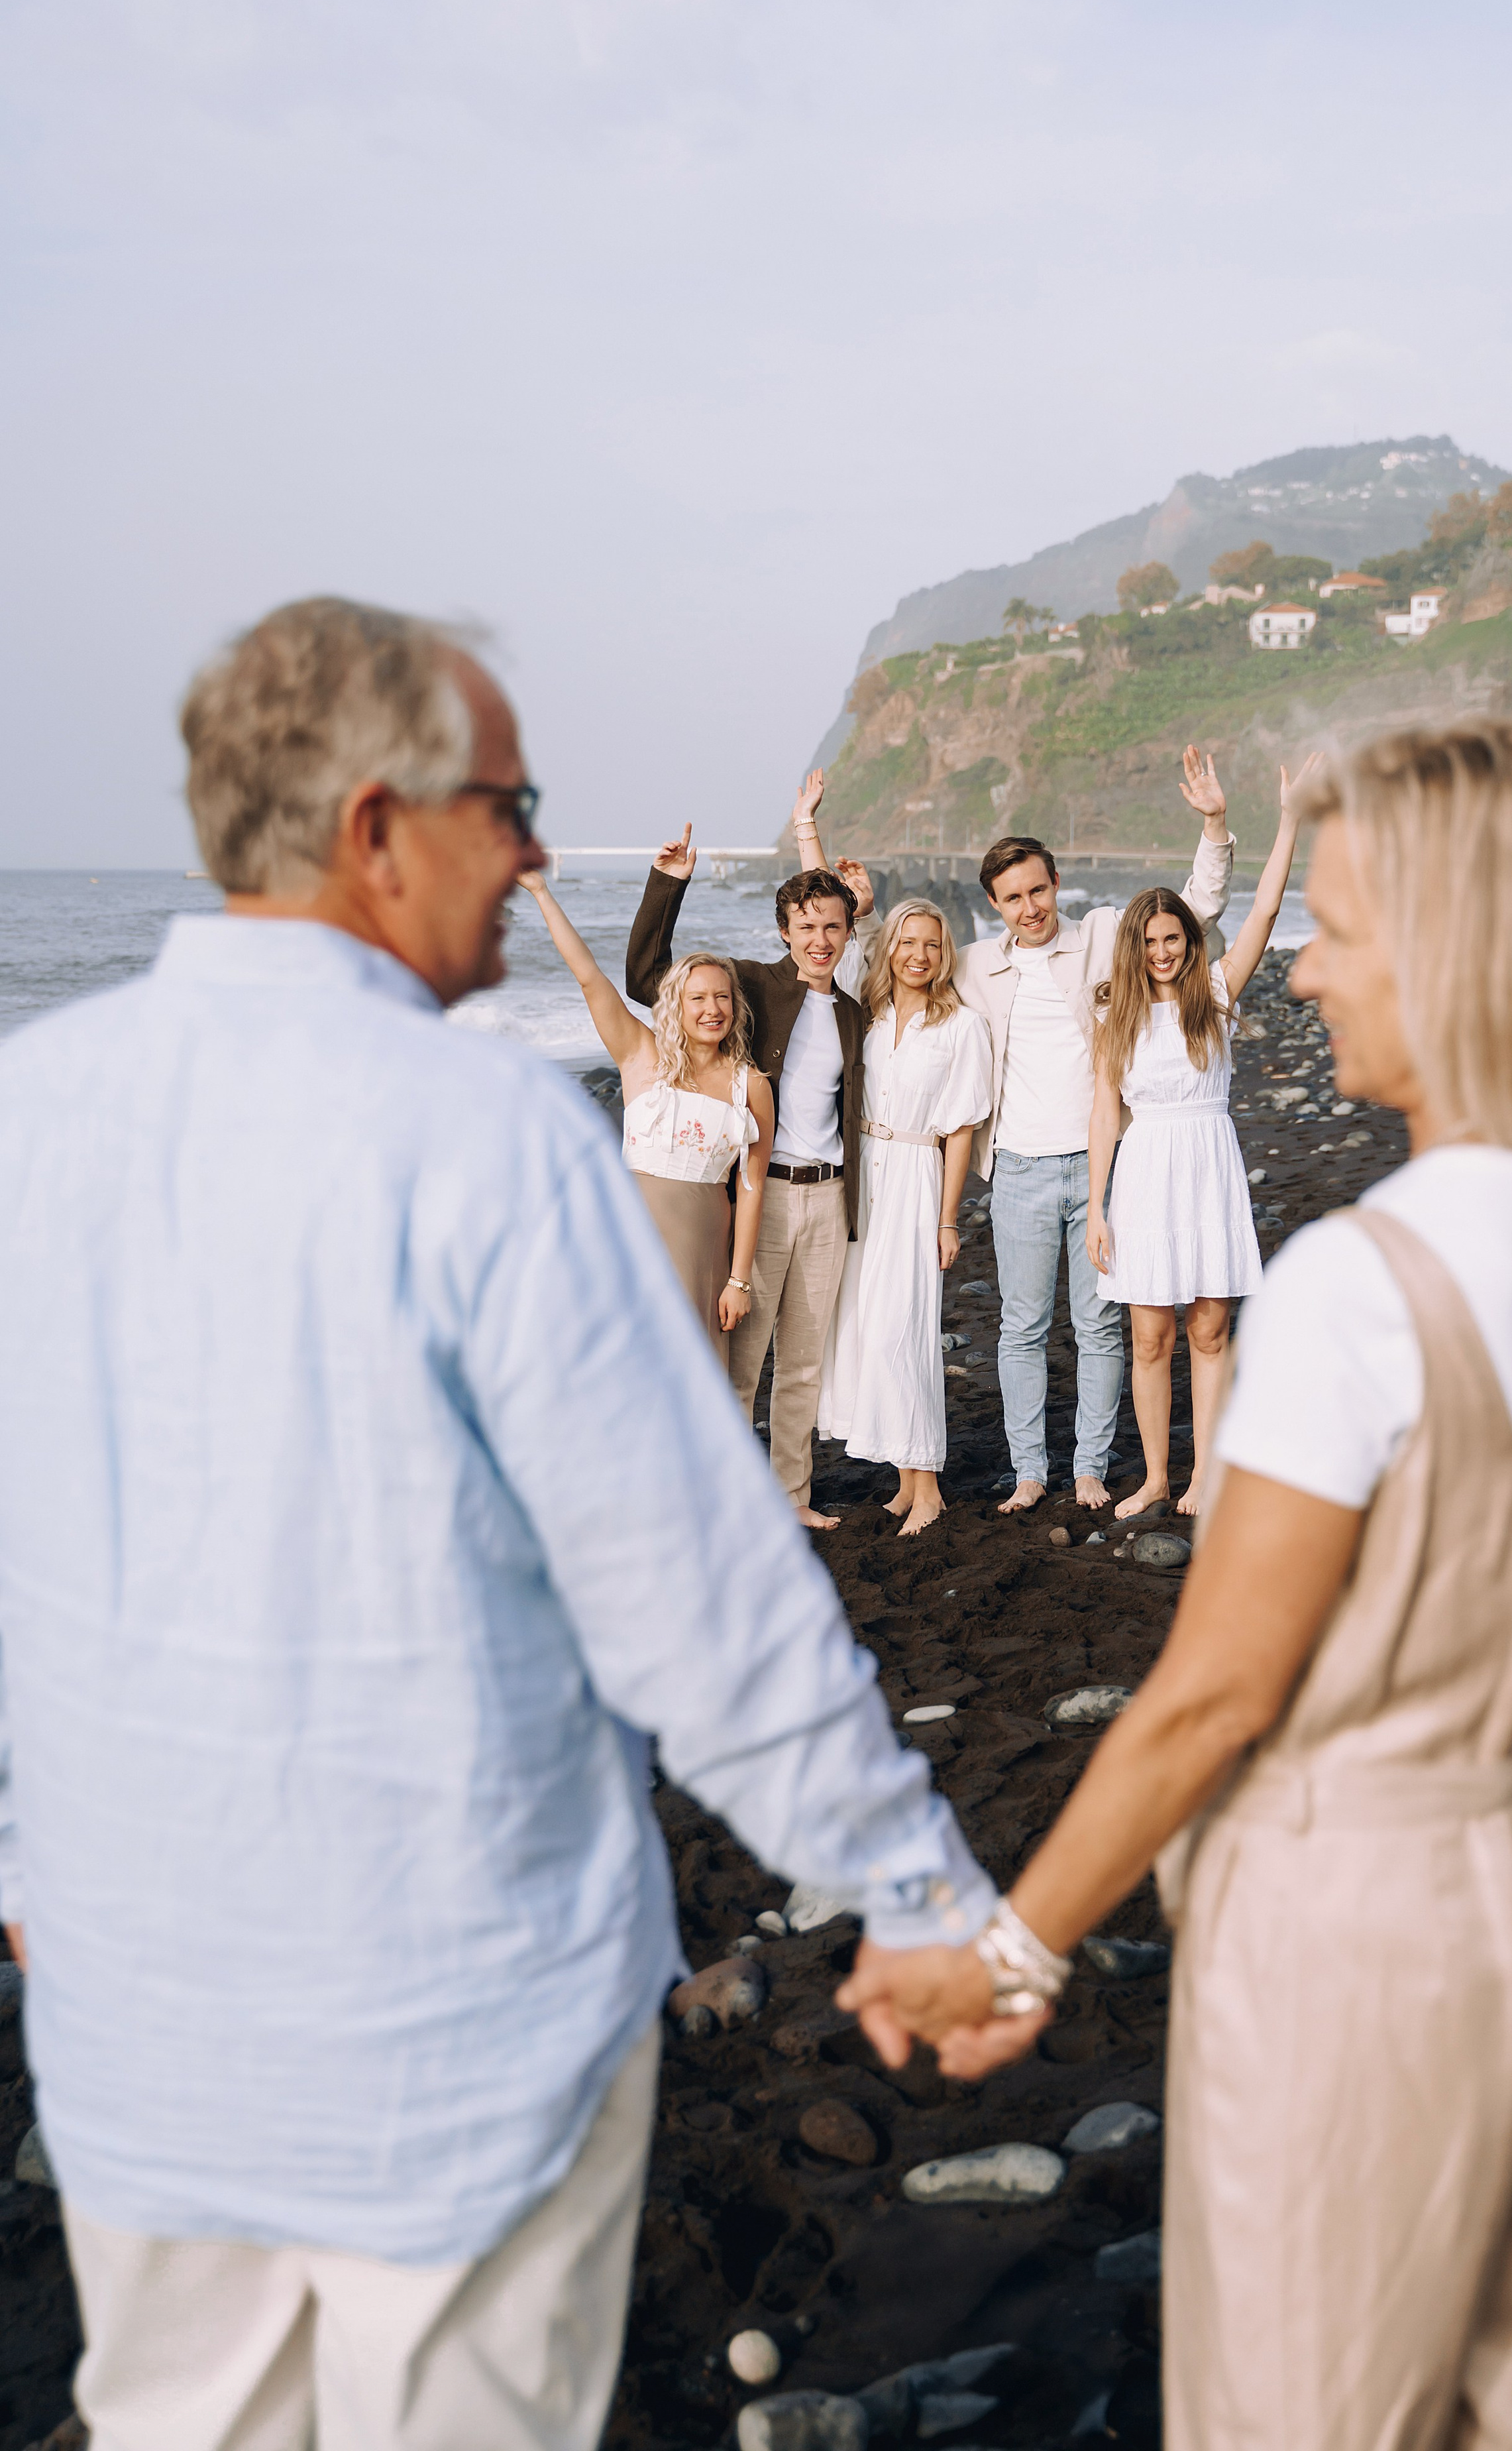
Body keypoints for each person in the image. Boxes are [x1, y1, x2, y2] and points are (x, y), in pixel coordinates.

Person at [0, 597, 999, 2451]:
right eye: (513, 799)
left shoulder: (31, 1112)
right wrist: (921, 1894)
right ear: (375, 825)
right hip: (456, 2021)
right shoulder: (488, 1143)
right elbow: (694, 1594)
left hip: (139, 2008)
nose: (538, 845)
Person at [838, 718, 1512, 2451]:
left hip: (1348, 1912)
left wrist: (1012, 1954)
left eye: (1350, 929)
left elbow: (1217, 1696)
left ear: (1462, 958)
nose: (1305, 970)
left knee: (1313, 2397)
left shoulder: (1358, 1285)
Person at [952, 748, 1235, 1517]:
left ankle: (1088, 1469)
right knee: (1020, 1328)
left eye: (1039, 889)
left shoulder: (1108, 934)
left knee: (1102, 1327)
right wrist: (862, 901)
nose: (1030, 906)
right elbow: (891, 961)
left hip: (1103, 1166)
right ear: (993, 905)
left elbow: (1193, 908)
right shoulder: (975, 965)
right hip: (1015, 1168)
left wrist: (1213, 825)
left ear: (1056, 885)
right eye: (1012, 897)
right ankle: (1030, 1471)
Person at [625, 787, 875, 1531]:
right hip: (759, 1201)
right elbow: (649, 979)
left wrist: (813, 837)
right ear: (785, 931)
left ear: (847, 930)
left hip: (828, 1200)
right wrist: (669, 884)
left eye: (832, 926)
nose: (820, 940)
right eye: (806, 927)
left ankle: (790, 1497)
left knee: (801, 1365)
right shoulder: (758, 988)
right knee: (742, 1364)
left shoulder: (854, 1011)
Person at [1087, 758, 1318, 1516]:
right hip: (1145, 1172)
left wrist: (1286, 818)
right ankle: (1156, 1476)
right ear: (1135, 945)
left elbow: (1266, 911)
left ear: (1189, 939)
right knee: (1149, 1336)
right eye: (1151, 940)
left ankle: (1206, 1474)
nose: (1164, 951)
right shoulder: (1115, 1016)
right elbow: (1101, 1115)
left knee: (1209, 1329)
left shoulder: (1216, 993)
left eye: (1174, 938)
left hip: (1208, 1164)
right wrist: (1095, 1206)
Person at [517, 872, 773, 1364]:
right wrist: (541, 892)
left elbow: (751, 1185)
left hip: (700, 1252)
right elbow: (589, 976)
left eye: (722, 997)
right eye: (697, 998)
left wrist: (738, 1280)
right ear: (677, 1004)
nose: (712, 1009)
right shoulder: (640, 1055)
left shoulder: (751, 1085)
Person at [818, 899, 993, 1534]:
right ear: (888, 947)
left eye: (932, 945)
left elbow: (961, 1132)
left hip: (917, 1180)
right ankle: (905, 1481)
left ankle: (930, 1488)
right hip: (862, 1175)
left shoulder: (962, 1028)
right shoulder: (868, 1016)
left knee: (904, 1330)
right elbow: (827, 937)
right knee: (867, 1326)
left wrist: (948, 1220)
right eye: (907, 942)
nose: (918, 956)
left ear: (946, 954)